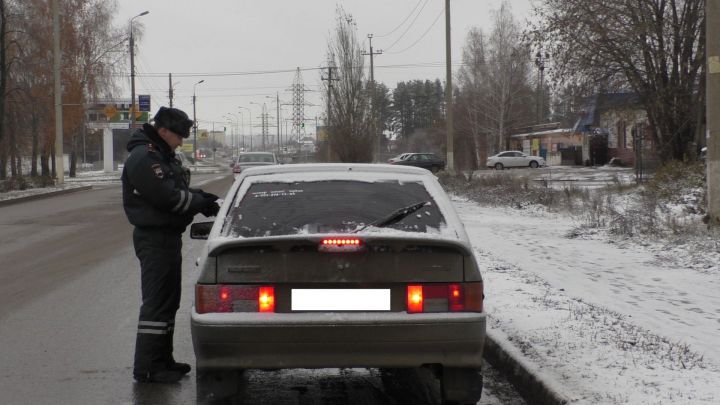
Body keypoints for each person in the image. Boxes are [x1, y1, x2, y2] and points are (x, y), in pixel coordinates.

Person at [122, 106, 220, 383]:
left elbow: (176, 189)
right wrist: (200, 203)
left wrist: (200, 195)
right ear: (163, 130)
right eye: (178, 136)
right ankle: (149, 368)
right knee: (156, 304)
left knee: (168, 302)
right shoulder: (145, 157)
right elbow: (168, 198)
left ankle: (163, 361)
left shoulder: (161, 154)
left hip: (166, 237)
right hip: (154, 237)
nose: (180, 141)